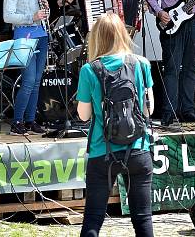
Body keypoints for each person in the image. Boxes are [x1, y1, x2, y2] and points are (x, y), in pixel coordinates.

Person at [76, 13, 154, 237]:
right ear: (122, 34)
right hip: (139, 148)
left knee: (93, 218)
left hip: (103, 152)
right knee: (142, 218)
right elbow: (149, 110)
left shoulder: (89, 70)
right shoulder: (141, 64)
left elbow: (83, 115)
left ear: (96, 38)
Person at [3, 0, 50, 136]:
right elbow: (8, 16)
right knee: (29, 80)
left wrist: (46, 10)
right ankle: (17, 121)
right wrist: (32, 17)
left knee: (37, 81)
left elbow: (44, 12)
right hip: (24, 35)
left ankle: (30, 120)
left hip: (41, 34)